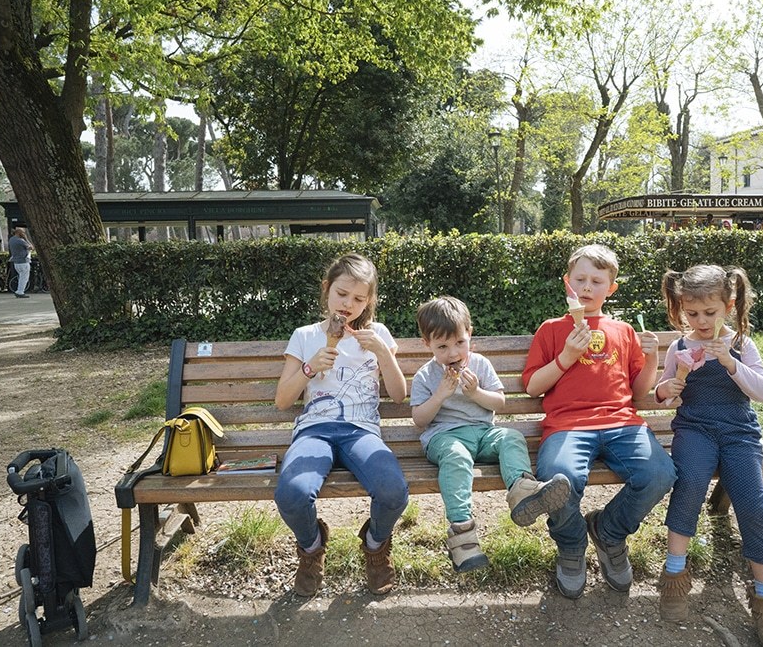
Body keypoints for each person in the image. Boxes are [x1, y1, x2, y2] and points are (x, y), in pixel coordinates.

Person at [522, 244, 677, 599]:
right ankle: (572, 545)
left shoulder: (622, 330)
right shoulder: (551, 330)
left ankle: (608, 530)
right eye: (580, 280)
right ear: (567, 284)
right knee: (559, 480)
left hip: (622, 423)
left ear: (611, 288)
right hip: (567, 427)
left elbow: (638, 393)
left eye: (596, 281)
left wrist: (651, 361)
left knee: (660, 474)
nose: (587, 288)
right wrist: (566, 357)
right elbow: (532, 387)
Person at [654, 264, 763, 647]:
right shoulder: (680, 346)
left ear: (728, 306)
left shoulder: (742, 344)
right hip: (694, 429)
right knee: (690, 484)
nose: (700, 321)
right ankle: (675, 576)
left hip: (737, 433)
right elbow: (662, 394)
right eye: (691, 314)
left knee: (752, 503)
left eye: (709, 313)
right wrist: (673, 385)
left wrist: (730, 363)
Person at [273, 253, 409, 597]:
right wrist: (308, 368)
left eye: (359, 298)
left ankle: (376, 545)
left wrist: (383, 352)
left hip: (361, 431)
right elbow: (282, 401)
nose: (349, 304)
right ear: (327, 290)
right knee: (291, 494)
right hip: (315, 431)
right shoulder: (305, 335)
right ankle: (311, 546)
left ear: (369, 301)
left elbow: (398, 395)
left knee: (394, 492)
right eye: (342, 294)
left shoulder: (377, 334)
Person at [410, 296, 571, 572]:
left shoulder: (481, 365)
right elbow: (419, 420)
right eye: (442, 346)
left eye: (459, 342)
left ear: (469, 334)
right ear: (427, 345)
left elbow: (499, 403)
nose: (452, 353)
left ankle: (522, 491)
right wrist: (440, 395)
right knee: (457, 456)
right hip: (444, 437)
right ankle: (462, 533)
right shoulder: (425, 376)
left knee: (511, 437)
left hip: (484, 433)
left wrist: (475, 393)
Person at [9, 227, 32, 298]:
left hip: (16, 262)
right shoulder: (21, 241)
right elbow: (31, 247)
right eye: (23, 232)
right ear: (19, 233)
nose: (24, 234)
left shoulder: (11, 239)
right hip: (23, 261)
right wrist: (26, 238)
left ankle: (19, 290)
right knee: (24, 278)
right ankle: (20, 292)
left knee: (21, 277)